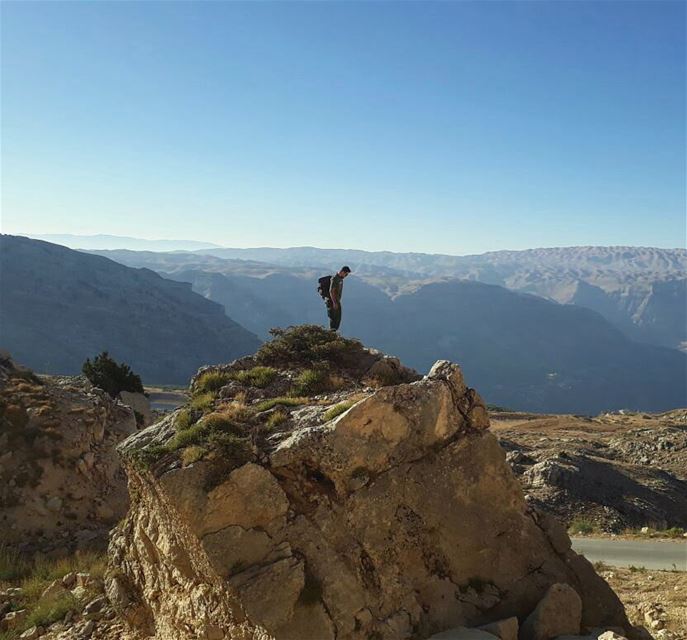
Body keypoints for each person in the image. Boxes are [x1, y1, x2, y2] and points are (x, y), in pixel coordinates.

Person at [326, 266, 351, 331]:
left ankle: (333, 334)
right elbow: (331, 291)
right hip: (332, 302)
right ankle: (331, 334)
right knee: (334, 319)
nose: (346, 276)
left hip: (337, 301)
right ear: (342, 272)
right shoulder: (335, 279)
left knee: (338, 319)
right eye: (346, 274)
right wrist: (334, 303)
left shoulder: (340, 279)